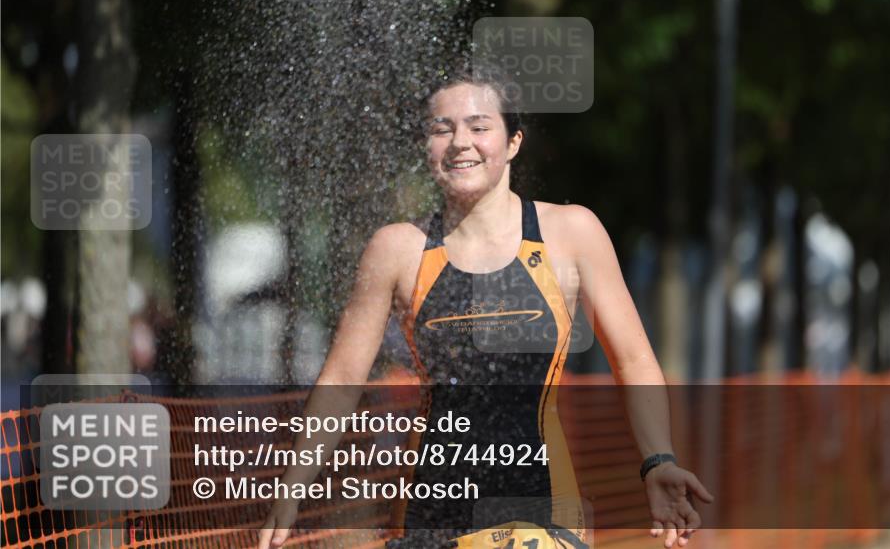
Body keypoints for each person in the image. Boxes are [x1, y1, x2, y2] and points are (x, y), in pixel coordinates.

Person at [258, 65, 713, 549]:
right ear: (426, 147)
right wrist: (291, 492)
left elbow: (635, 360)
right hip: (427, 519)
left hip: (545, 515)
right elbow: (341, 379)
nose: (460, 142)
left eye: (479, 127)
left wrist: (658, 461)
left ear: (513, 142)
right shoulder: (397, 249)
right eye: (442, 129)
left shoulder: (572, 233)